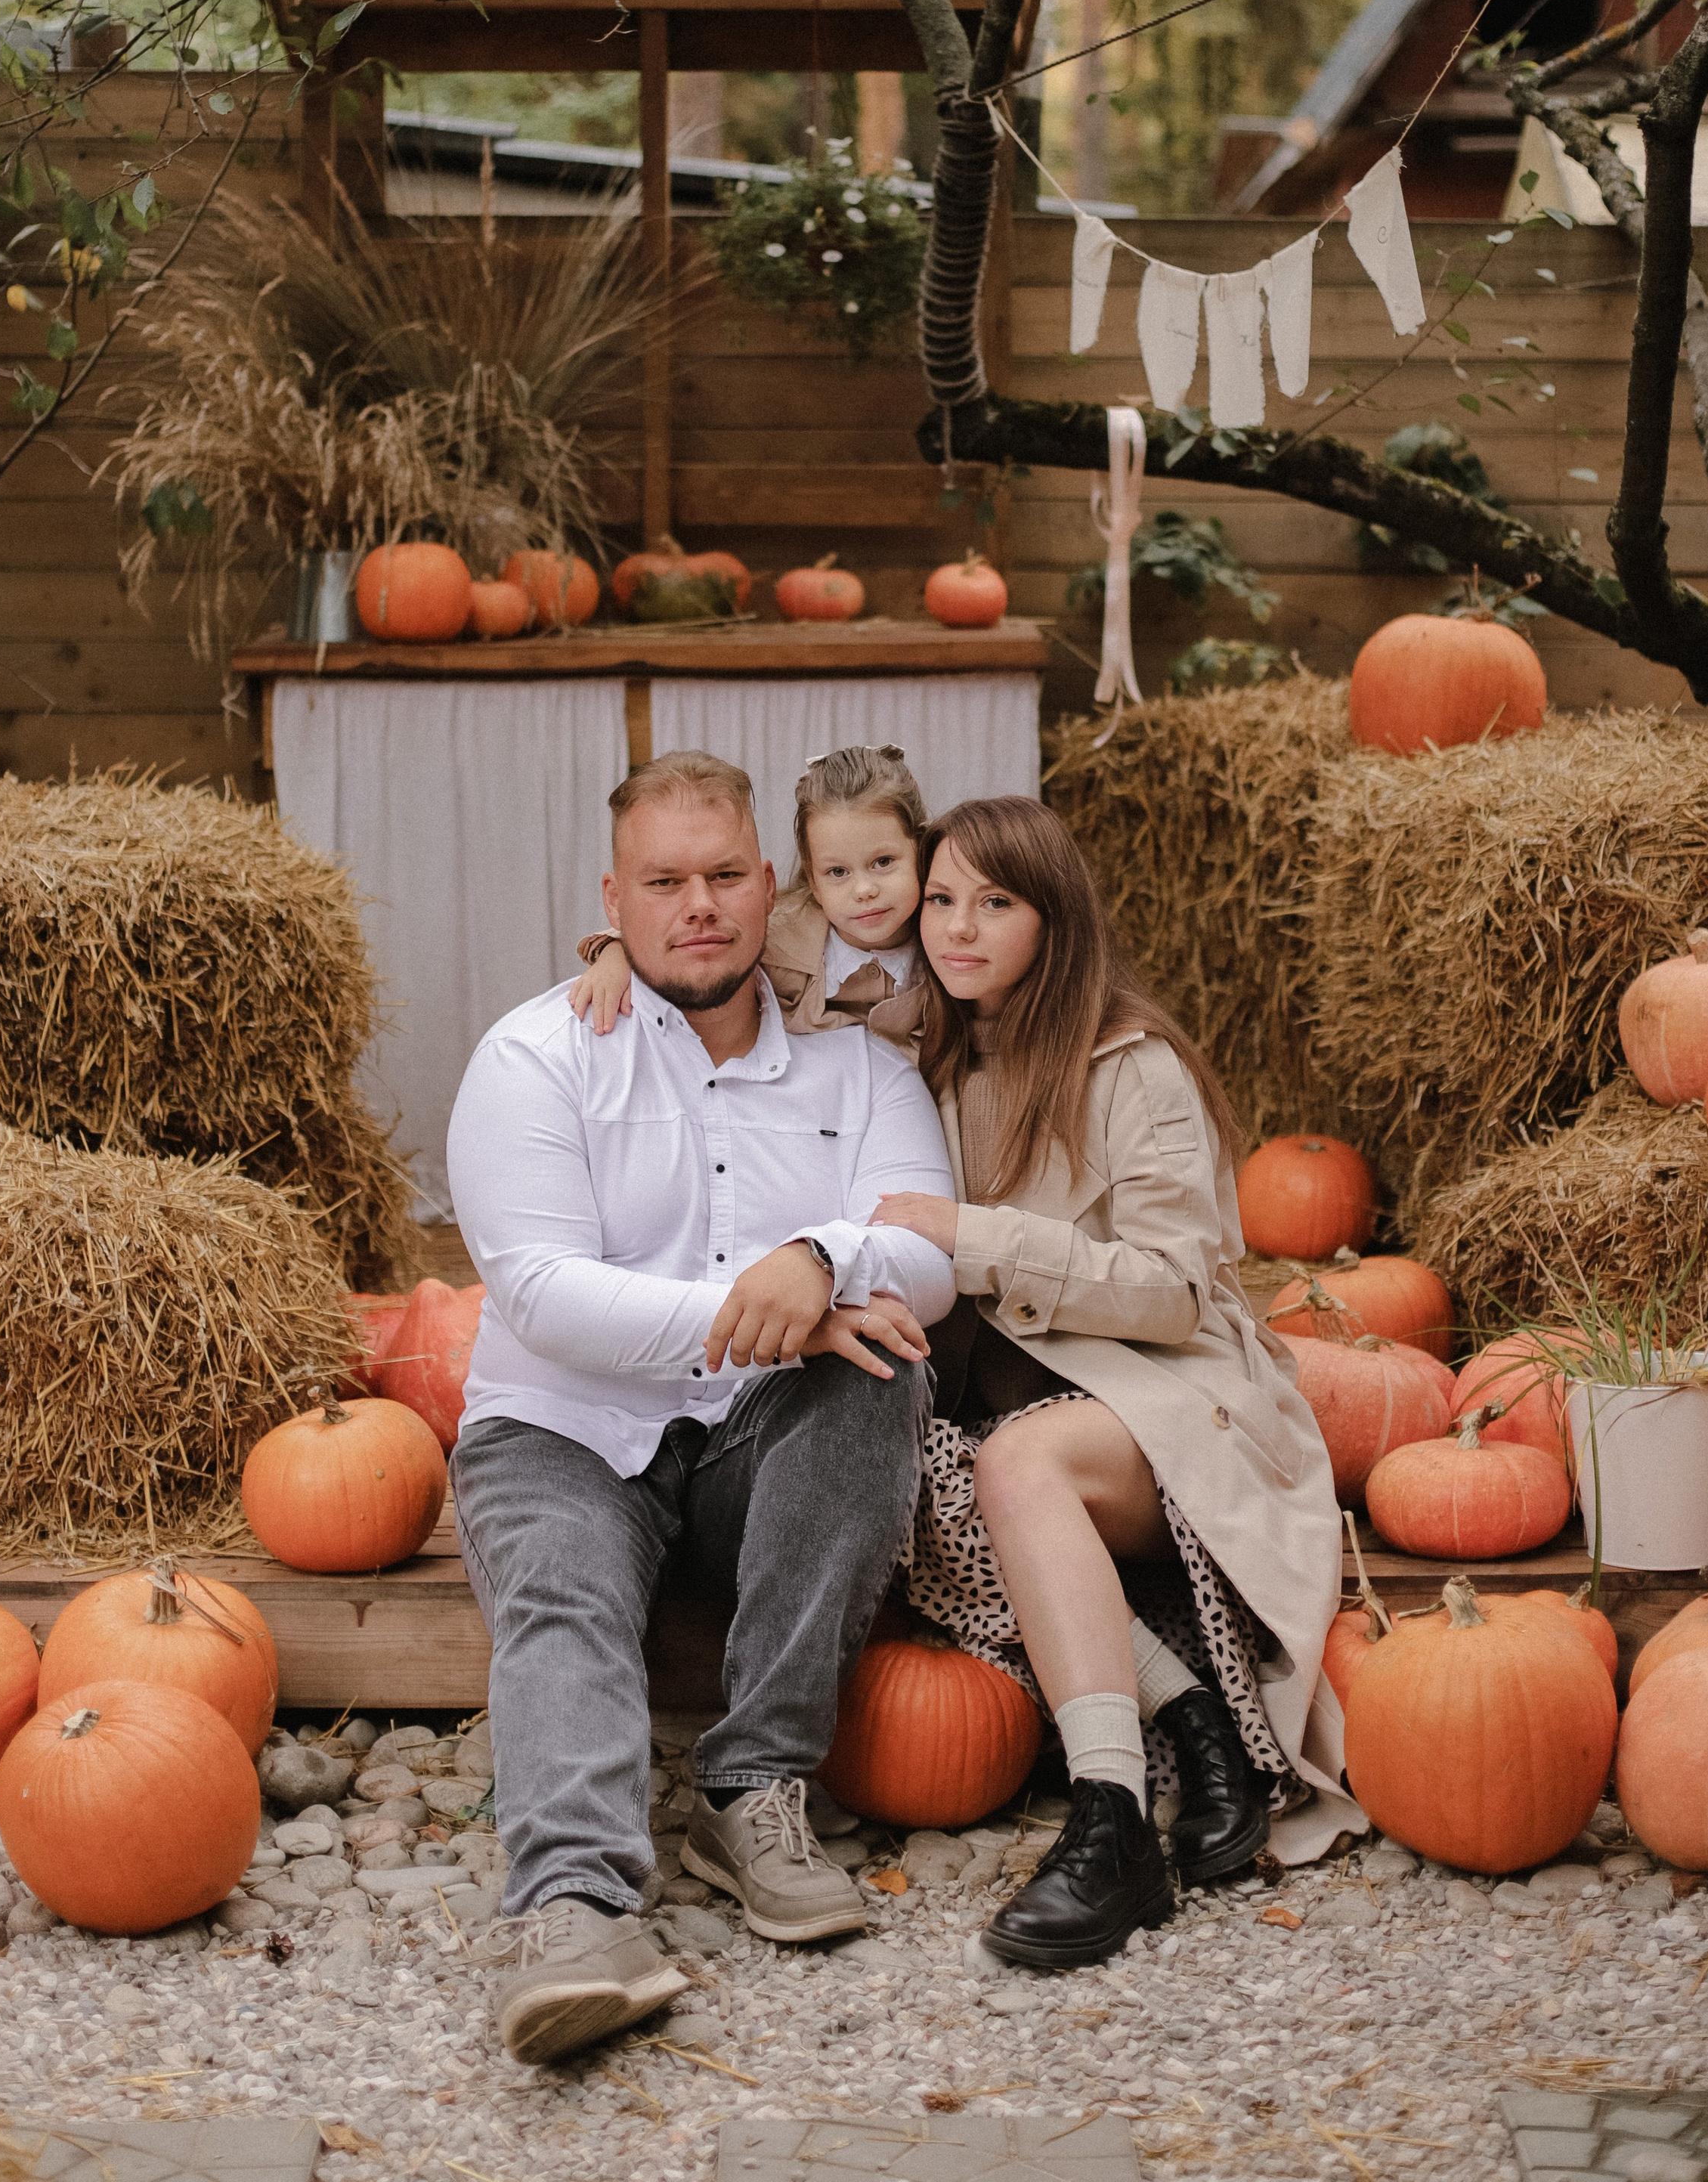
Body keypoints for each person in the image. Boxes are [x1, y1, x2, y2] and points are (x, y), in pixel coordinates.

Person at [446, 749, 959, 2065]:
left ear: (769, 885)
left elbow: (927, 1258)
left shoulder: (863, 1077)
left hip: (756, 1452)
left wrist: (822, 1264)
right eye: (665, 881)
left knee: (880, 1362)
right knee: (561, 1583)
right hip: (565, 1428)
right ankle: (577, 1910)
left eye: (726, 875)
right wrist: (763, 1303)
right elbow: (548, 1295)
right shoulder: (535, 1056)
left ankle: (752, 1790)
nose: (700, 906)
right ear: (613, 898)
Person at [869, 795, 1359, 1971]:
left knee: (1016, 1457)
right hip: (1022, 1418)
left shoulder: (1129, 1066)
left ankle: (1111, 1818)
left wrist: (976, 1237)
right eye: (941, 899)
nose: (960, 928)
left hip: (1175, 1406)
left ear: (1056, 919)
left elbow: (1177, 1290)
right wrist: (613, 961)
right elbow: (777, 941)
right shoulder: (910, 1055)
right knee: (896, 1458)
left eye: (997, 902)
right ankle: (1189, 1711)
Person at [570, 743, 927, 1035]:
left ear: (920, 851)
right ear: (813, 879)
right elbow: (675, 940)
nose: (864, 890)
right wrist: (615, 956)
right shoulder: (780, 941)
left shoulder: (946, 935)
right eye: (837, 871)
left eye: (883, 863)